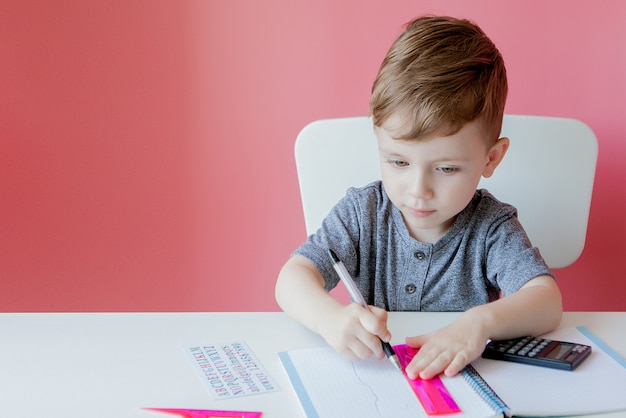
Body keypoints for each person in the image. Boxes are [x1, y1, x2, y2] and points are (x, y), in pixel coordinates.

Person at [275, 15, 562, 380]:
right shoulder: (362, 213)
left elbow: (547, 302)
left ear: (491, 158)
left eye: (446, 169)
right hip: (375, 379)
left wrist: (480, 323)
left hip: (459, 384)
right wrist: (329, 319)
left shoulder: (491, 226)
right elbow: (292, 277)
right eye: (398, 162)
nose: (417, 190)